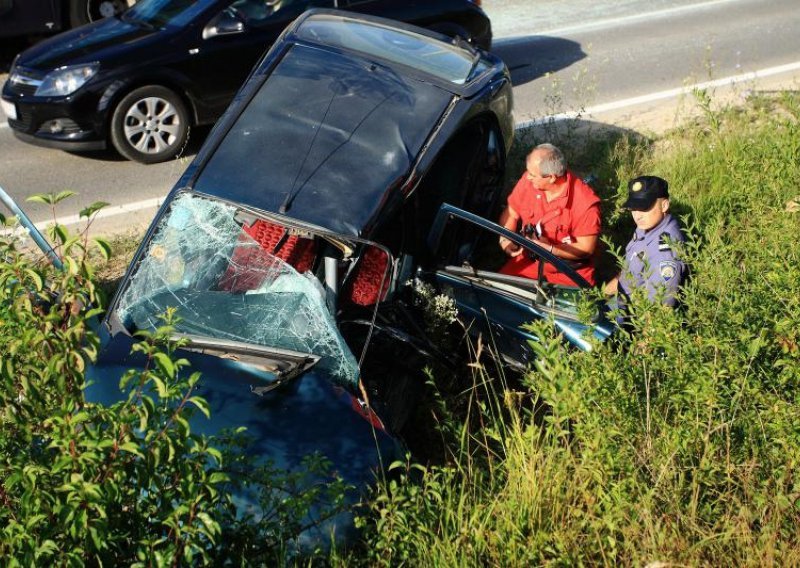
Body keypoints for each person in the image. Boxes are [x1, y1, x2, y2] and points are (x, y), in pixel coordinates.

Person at [498, 143, 601, 286]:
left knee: (573, 307)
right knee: (497, 292)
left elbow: (585, 248)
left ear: (552, 177)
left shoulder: (584, 203)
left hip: (567, 272)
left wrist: (551, 250)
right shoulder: (530, 183)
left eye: (533, 175)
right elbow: (512, 211)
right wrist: (505, 238)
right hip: (529, 263)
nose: (527, 177)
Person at [604, 175, 686, 307]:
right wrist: (601, 296)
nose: (637, 215)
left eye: (644, 207)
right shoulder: (647, 226)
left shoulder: (665, 253)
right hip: (620, 301)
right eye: (633, 208)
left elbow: (659, 312)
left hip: (633, 319)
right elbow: (630, 272)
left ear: (664, 206)